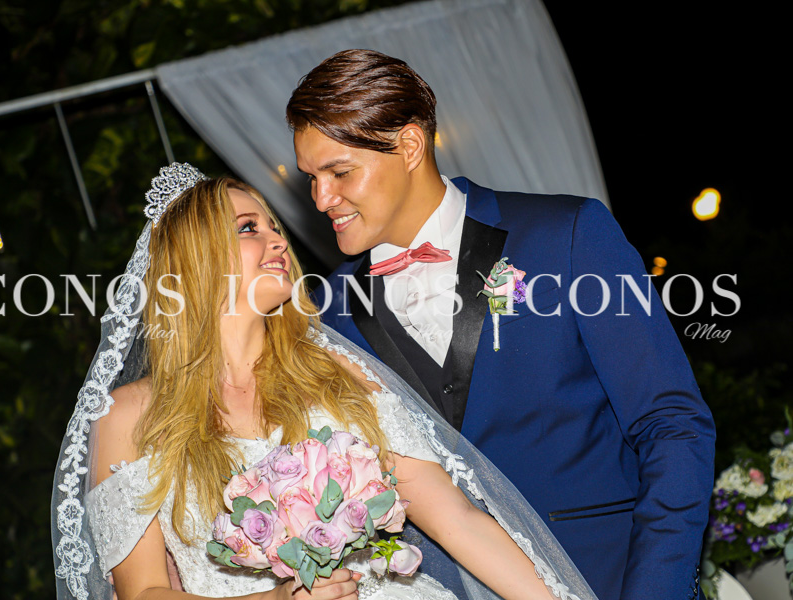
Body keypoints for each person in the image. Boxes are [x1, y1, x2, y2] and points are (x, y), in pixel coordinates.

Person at [51, 164, 598, 600]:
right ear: (195, 258)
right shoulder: (129, 417)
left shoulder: (338, 375)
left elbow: (455, 518)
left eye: (274, 227)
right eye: (248, 228)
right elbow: (142, 591)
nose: (277, 241)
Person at [287, 49, 716, 600]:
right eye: (311, 178)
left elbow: (672, 425)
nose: (321, 198)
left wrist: (656, 590)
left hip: (606, 577)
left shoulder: (567, 235)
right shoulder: (326, 313)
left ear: (410, 146)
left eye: (339, 172)